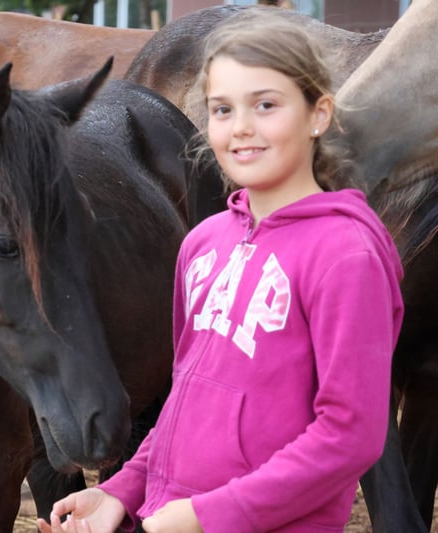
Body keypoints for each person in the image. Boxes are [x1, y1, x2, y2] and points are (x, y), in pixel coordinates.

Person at [37, 8, 404, 533]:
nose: (242, 128)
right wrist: (122, 491)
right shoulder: (202, 244)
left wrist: (206, 515)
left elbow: (351, 436)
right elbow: (184, 403)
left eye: (266, 105)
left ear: (319, 114)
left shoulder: (346, 255)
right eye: (222, 109)